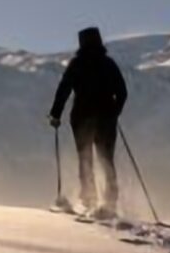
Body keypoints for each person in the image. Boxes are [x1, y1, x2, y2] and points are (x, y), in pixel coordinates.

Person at [49, 27, 128, 218]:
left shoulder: (77, 64)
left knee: (85, 158)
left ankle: (88, 199)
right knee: (106, 159)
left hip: (81, 117)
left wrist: (55, 114)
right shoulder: (109, 64)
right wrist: (114, 112)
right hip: (106, 119)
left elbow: (64, 89)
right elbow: (123, 92)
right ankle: (110, 204)